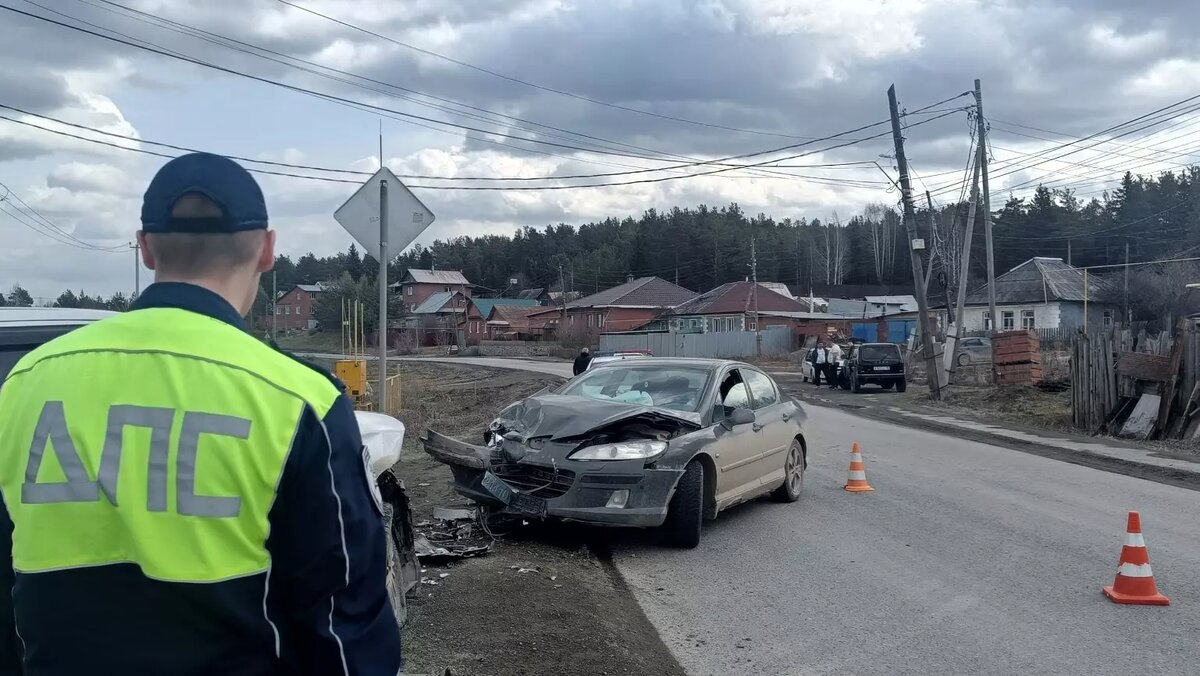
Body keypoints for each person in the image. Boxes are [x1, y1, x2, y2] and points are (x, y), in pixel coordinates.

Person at [0, 153, 403, 675]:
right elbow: (344, 624)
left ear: (144, 248)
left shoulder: (25, 383)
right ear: (267, 250)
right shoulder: (300, 398)